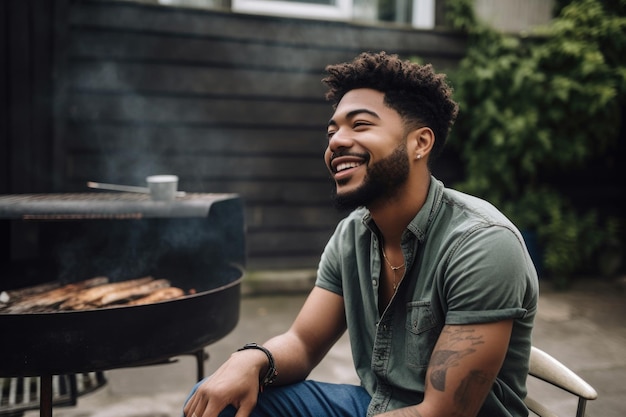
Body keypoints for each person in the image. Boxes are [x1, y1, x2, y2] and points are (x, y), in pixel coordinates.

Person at [183, 51, 538, 417]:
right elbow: (303, 343)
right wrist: (254, 359)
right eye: (333, 130)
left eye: (361, 125)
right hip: (376, 407)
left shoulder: (482, 244)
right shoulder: (353, 234)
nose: (336, 141)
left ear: (420, 143)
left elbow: (443, 413)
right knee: (216, 399)